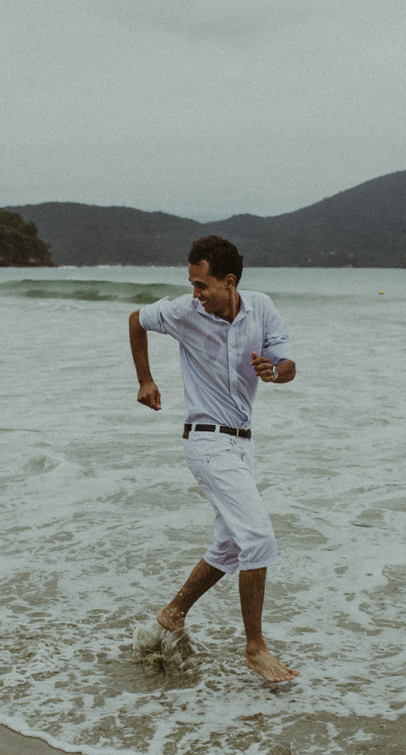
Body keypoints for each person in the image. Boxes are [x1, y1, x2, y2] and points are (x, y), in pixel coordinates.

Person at [129, 235, 300, 683]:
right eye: (192, 284)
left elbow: (289, 364)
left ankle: (172, 614)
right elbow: (136, 320)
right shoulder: (185, 313)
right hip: (205, 441)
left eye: (202, 285)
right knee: (258, 538)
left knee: (229, 545)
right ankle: (255, 647)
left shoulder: (261, 308)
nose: (195, 294)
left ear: (229, 281)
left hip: (243, 443)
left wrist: (274, 372)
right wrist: (145, 380)